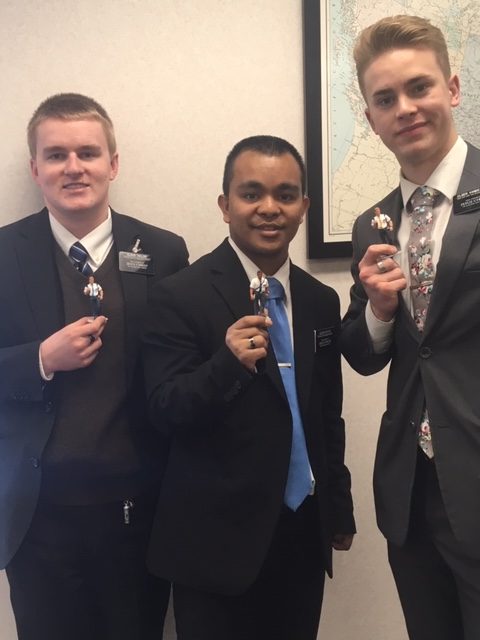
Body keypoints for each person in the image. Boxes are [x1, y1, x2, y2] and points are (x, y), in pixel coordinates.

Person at [143, 135, 355, 640]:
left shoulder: (320, 300)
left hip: (302, 532)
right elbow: (164, 410)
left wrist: (338, 507)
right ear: (225, 205)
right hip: (215, 542)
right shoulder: (179, 295)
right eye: (251, 193)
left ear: (304, 207)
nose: (269, 208)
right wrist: (228, 365)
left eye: (285, 195)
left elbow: (326, 412)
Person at [0, 92, 189, 640]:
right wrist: (40, 359)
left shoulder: (164, 252)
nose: (73, 167)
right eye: (56, 155)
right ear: (35, 169)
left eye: (87, 152)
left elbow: (179, 369)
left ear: (113, 163)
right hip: (37, 518)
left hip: (137, 513)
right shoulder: (5, 254)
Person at [341, 15, 480, 640]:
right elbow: (364, 354)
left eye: (419, 87)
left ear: (452, 88)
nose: (405, 108)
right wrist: (379, 309)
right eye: (385, 98)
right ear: (372, 119)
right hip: (411, 492)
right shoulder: (371, 224)